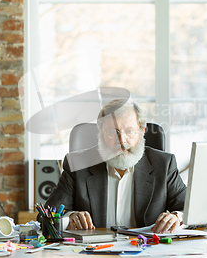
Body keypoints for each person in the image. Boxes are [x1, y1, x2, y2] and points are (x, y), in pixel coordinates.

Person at [45, 98, 186, 233]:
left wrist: (177, 218)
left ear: (142, 132)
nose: (121, 141)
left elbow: (192, 211)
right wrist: (68, 218)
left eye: (129, 131)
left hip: (146, 251)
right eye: (113, 132)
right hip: (92, 254)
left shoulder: (164, 164)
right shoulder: (77, 164)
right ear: (101, 133)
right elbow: (46, 215)